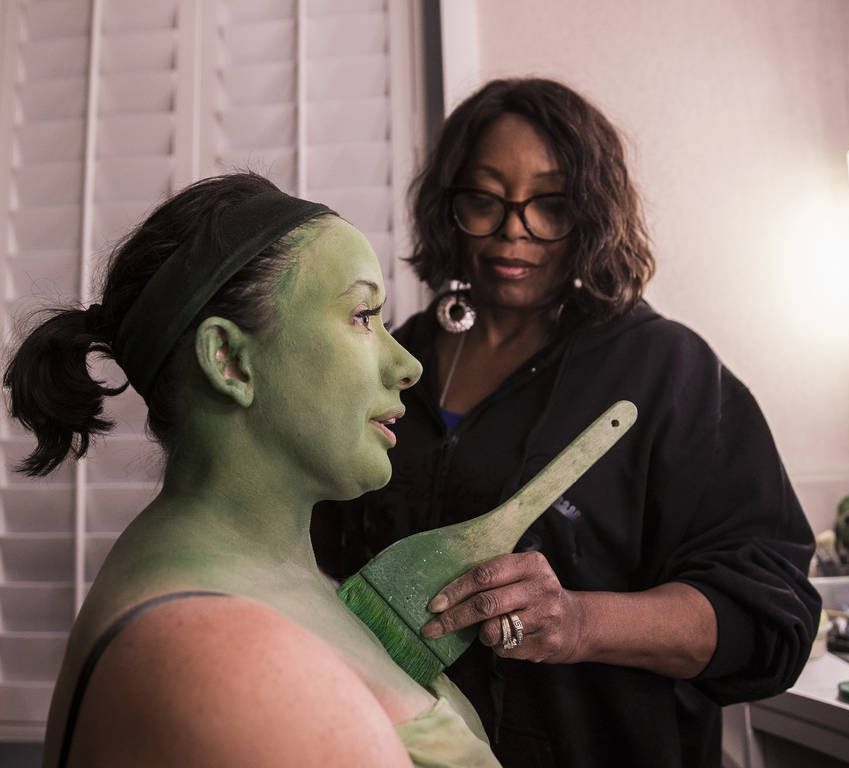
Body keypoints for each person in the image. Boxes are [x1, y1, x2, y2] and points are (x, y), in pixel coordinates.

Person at [313, 78, 822, 767]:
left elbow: (770, 618)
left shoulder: (663, 371)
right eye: (484, 200)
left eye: (549, 205)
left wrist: (580, 622)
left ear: (591, 212)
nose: (513, 230)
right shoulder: (394, 361)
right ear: (448, 206)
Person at [6, 172, 501, 767]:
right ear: (231, 361)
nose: (409, 366)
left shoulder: (286, 581)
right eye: (363, 316)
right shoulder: (216, 653)